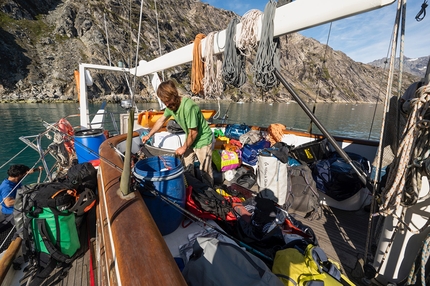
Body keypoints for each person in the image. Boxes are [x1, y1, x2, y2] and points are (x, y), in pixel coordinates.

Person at [141, 80, 214, 186]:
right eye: (164, 102)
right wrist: (149, 135)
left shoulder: (189, 107)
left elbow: (194, 132)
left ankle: (210, 193)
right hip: (190, 139)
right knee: (186, 166)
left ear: (174, 95)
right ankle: (193, 189)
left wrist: (183, 148)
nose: (166, 104)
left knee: (205, 171)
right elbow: (161, 120)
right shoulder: (170, 107)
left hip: (203, 139)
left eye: (168, 100)